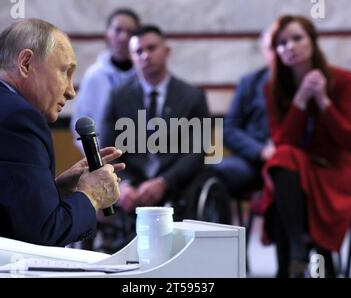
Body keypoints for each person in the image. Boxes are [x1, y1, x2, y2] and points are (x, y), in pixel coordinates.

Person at [0, 19, 124, 247]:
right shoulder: (18, 119)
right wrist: (92, 196)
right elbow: (45, 234)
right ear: (26, 63)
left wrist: (57, 190)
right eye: (65, 72)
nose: (71, 92)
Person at [261, 15, 351, 277]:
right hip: (300, 169)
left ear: (313, 42)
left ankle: (293, 262)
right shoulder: (273, 88)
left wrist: (322, 100)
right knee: (284, 159)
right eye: (282, 43)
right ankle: (299, 249)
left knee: (285, 187)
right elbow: (283, 143)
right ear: (275, 52)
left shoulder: (342, 80)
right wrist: (300, 100)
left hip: (338, 168)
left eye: (297, 38)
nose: (290, 47)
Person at [100, 25, 211, 252]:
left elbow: (199, 151)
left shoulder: (193, 96)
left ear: (167, 51)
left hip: (177, 184)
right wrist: (125, 184)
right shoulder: (118, 96)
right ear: (131, 56)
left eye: (151, 48)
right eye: (138, 51)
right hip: (132, 185)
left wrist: (165, 181)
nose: (145, 56)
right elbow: (107, 150)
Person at [213, 22, 276, 196]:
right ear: (263, 50)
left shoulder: (306, 83)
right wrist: (260, 151)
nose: (278, 52)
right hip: (252, 160)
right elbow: (229, 130)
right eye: (271, 47)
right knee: (210, 172)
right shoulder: (250, 83)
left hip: (294, 161)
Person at [71, 8, 140, 149]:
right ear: (107, 34)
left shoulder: (146, 76)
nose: (123, 37)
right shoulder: (94, 76)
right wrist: (98, 159)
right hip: (104, 157)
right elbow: (79, 124)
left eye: (130, 32)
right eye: (118, 30)